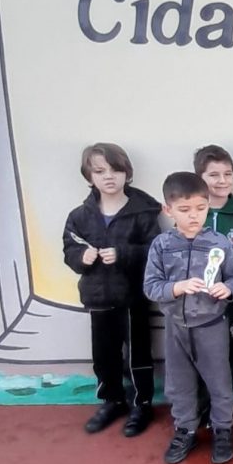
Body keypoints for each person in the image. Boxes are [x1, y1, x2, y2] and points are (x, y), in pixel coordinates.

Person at [62, 142, 161, 437]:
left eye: (116, 170)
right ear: (89, 176)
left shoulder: (142, 211)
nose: (109, 177)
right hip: (98, 296)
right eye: (100, 171)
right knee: (103, 354)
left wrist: (123, 253)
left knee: (138, 355)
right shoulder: (80, 216)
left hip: (132, 297)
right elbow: (69, 248)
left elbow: (154, 250)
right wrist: (82, 257)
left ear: (127, 173)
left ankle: (142, 403)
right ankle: (111, 400)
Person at [143, 172, 233, 464]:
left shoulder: (219, 243)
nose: (193, 216)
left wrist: (229, 289)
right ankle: (185, 429)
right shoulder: (161, 245)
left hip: (212, 326)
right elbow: (150, 286)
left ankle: (223, 430)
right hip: (176, 327)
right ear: (168, 210)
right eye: (184, 210)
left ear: (208, 205)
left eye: (200, 208)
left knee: (220, 382)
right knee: (179, 384)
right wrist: (177, 287)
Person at [194, 145, 233, 391]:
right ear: (200, 178)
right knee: (201, 354)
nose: (222, 180)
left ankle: (224, 409)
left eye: (227, 174)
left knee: (232, 351)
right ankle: (200, 404)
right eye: (213, 175)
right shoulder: (193, 215)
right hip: (198, 302)